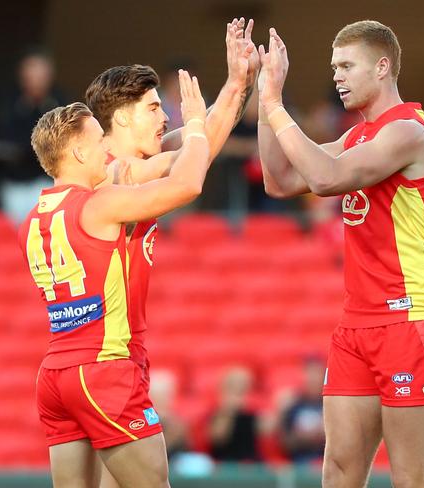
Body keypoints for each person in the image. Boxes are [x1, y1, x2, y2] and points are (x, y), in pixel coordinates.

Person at [258, 20, 424, 488]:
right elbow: (280, 180)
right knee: (340, 470)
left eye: (347, 66)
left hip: (413, 318)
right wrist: (267, 96)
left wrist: (273, 107)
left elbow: (326, 179)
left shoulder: (409, 131)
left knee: (409, 477)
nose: (337, 77)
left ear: (383, 66)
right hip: (357, 323)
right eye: (334, 68)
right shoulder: (357, 137)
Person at [84, 18, 257, 486]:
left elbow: (204, 140)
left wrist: (237, 81)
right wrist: (203, 119)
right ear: (122, 118)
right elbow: (192, 165)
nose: (166, 118)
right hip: (108, 357)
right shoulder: (112, 173)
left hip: (108, 354)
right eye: (155, 108)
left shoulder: (132, 164)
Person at [17, 69, 209, 487]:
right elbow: (187, 183)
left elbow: (161, 163)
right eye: (99, 140)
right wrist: (195, 125)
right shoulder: (98, 205)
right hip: (103, 367)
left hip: (53, 374)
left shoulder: (31, 220)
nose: (108, 146)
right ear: (81, 154)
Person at [0, 48, 68, 222]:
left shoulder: (61, 103)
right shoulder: (8, 102)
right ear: (22, 75)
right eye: (31, 73)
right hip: (13, 182)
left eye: (41, 75)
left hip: (46, 182)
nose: (36, 80)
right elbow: (1, 140)